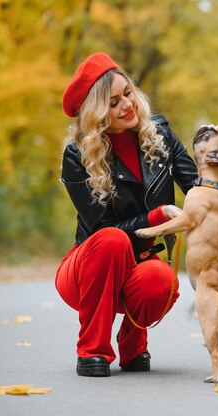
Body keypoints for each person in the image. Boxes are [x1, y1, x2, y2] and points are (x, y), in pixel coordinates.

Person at [56, 52, 198, 377]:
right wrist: (157, 216)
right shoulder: (77, 155)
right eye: (113, 102)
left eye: (128, 93)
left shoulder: (160, 134)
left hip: (139, 262)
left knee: (160, 279)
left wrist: (215, 152)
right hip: (88, 269)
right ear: (95, 113)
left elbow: (196, 186)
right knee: (111, 240)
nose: (127, 105)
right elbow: (102, 227)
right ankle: (92, 351)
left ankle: (134, 347)